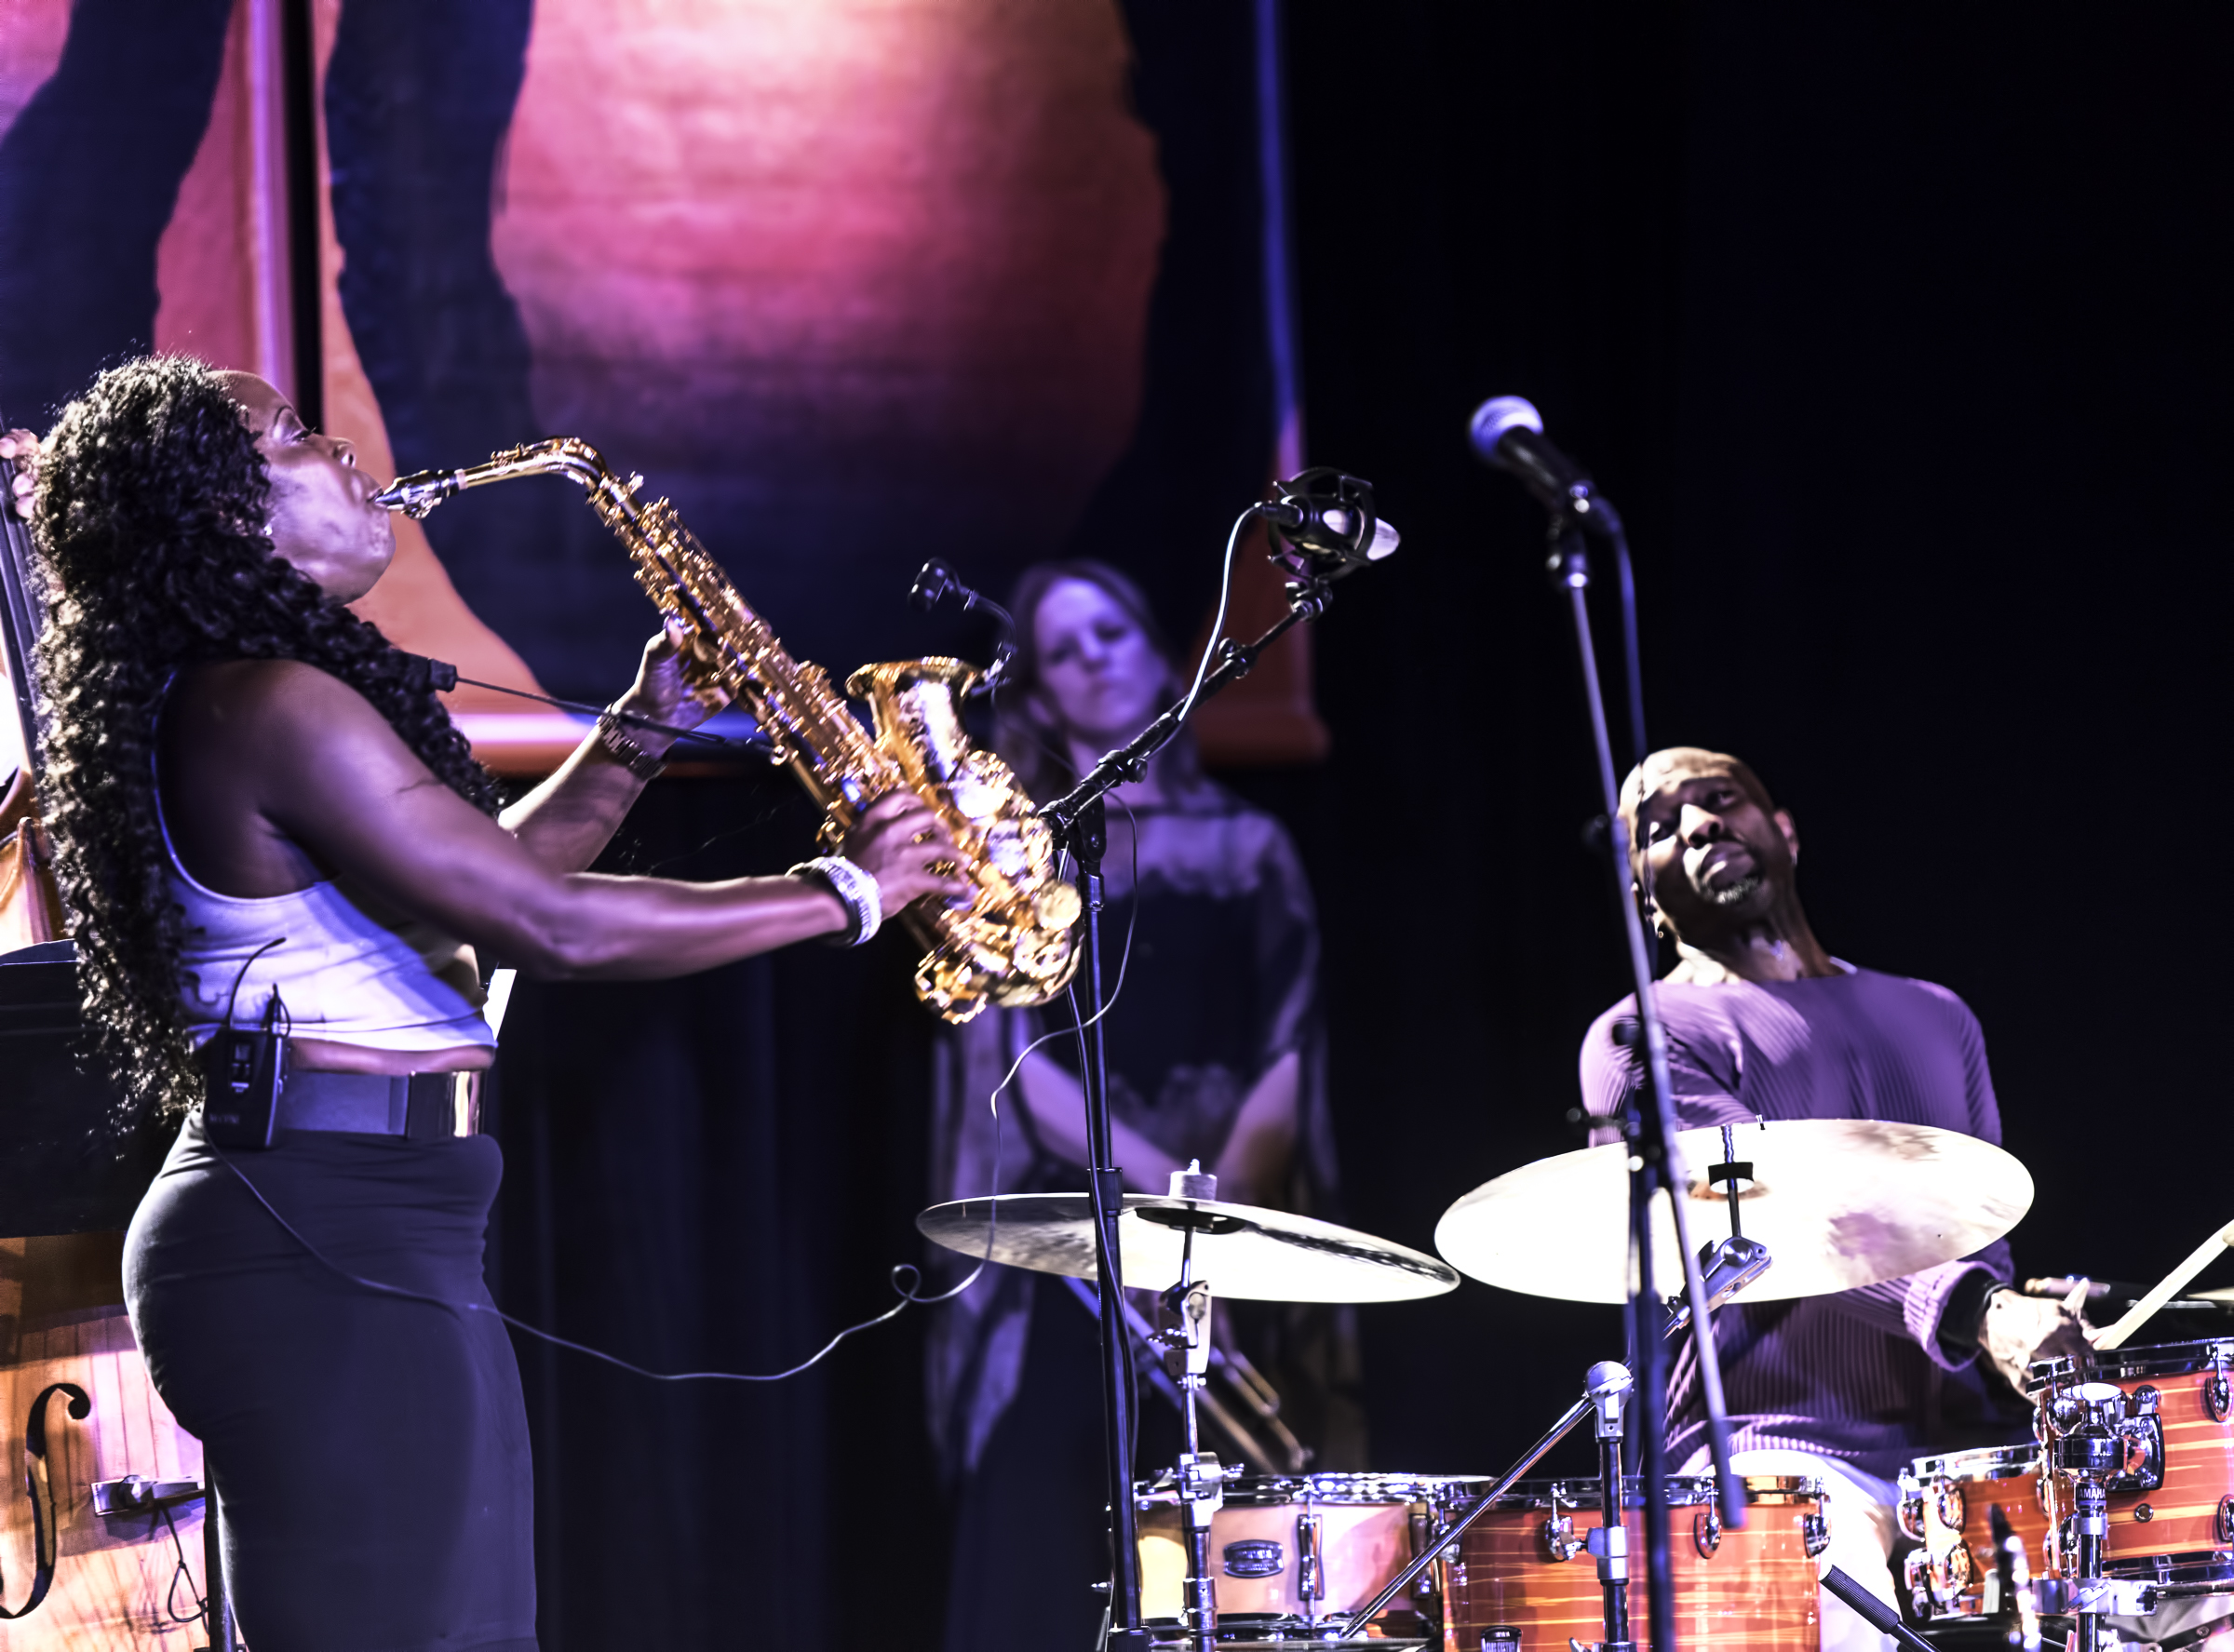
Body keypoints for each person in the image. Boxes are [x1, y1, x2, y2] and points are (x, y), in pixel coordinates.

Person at [9, 356, 968, 1652]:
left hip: (361, 1213)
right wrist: (846, 892)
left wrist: (635, 732)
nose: (345, 449)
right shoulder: (271, 700)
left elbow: (484, 884)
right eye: (293, 434)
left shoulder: (259, 694)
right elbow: (545, 923)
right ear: (226, 510)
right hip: (317, 1219)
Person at [1580, 746, 2115, 1652]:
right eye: (1661, 827)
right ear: (1642, 889)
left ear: (1784, 829)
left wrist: (2033, 1321)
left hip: (1961, 1457)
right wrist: (1978, 1309)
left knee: (2164, 1587)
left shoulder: (1938, 1015)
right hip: (1770, 1453)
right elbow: (1755, 1219)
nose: (1702, 824)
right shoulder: (1645, 1035)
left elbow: (1976, 1254)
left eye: (1721, 800)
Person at [926, 559, 1356, 1652]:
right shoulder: (1015, 854)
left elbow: (1287, 1049)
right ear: (1039, 692)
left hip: (1231, 1238)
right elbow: (1010, 1056)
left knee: (1235, 1529)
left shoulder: (1255, 846)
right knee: (1046, 1526)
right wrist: (1152, 1200)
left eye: (1111, 632)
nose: (1095, 659)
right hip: (1076, 1249)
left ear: (1162, 653)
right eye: (1064, 648)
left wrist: (1208, 1211)